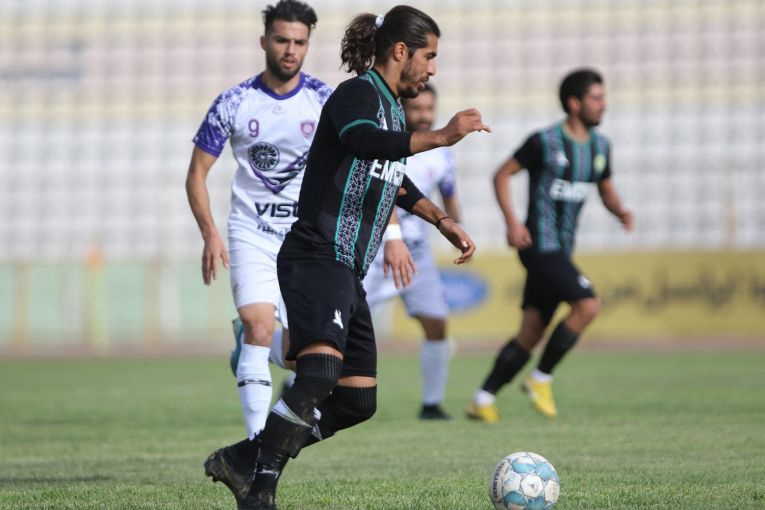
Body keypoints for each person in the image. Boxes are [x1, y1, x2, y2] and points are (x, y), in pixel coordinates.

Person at [238, 6, 490, 509]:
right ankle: (259, 487)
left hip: (345, 267)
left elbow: (392, 174)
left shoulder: (393, 108)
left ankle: (246, 456)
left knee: (357, 400)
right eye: (429, 56)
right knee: (318, 375)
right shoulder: (357, 94)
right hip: (317, 254)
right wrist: (441, 136)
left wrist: (441, 220)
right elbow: (363, 141)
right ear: (400, 51)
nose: (433, 68)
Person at [184, 0, 332, 502]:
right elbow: (196, 174)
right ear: (265, 41)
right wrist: (210, 233)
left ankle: (251, 348)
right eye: (282, 39)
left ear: (307, 45)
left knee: (301, 360)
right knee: (258, 324)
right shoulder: (234, 102)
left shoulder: (324, 101)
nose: (290, 49)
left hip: (304, 242)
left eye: (299, 42)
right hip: (251, 233)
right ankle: (253, 454)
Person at [466, 68, 633, 423]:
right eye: (596, 98)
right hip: (539, 244)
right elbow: (502, 174)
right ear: (574, 103)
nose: (603, 104)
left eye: (604, 97)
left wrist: (620, 210)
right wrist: (512, 222)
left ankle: (482, 399)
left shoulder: (601, 147)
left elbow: (605, 188)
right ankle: (540, 378)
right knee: (588, 305)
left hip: (562, 248)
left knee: (531, 331)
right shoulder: (543, 141)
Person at [363, 83, 460, 420]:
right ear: (402, 110)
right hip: (376, 250)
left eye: (429, 109)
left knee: (436, 323)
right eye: (417, 109)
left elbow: (449, 195)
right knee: (339, 327)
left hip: (417, 252)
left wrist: (457, 229)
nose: (424, 115)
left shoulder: (441, 153)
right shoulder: (385, 145)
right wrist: (392, 236)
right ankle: (295, 382)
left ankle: (432, 404)